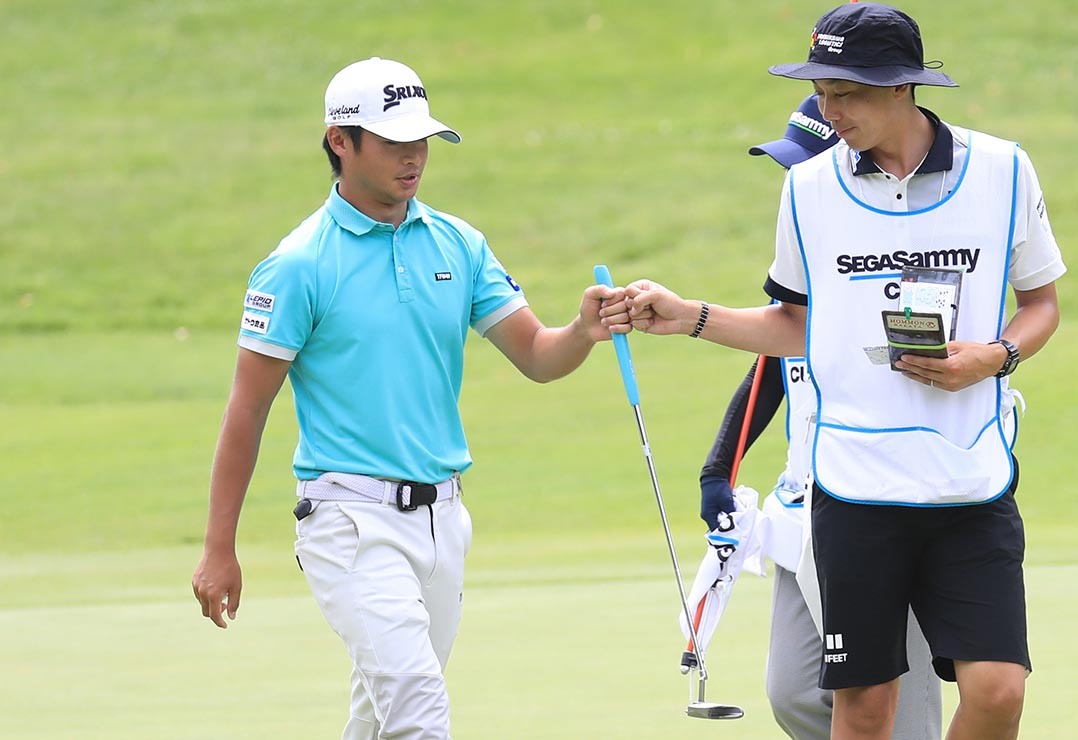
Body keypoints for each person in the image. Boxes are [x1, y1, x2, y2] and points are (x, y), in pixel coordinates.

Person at [624, 4, 1064, 739]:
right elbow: (795, 325)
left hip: (970, 481)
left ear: (902, 87)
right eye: (821, 92)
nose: (830, 111)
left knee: (998, 693)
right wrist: (689, 316)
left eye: (847, 93)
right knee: (864, 708)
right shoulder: (808, 188)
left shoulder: (1003, 170)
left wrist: (997, 356)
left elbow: (1042, 304)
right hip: (854, 487)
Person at [190, 57, 629, 740]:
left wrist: (581, 330)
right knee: (418, 707)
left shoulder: (459, 243)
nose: (414, 156)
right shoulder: (299, 264)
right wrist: (219, 546)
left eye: (421, 139)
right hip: (348, 520)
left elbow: (538, 357)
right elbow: (247, 409)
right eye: (394, 140)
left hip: (444, 521)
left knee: (382, 714)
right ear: (340, 141)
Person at [698, 93, 942, 739]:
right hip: (806, 503)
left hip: (893, 501)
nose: (792, 182)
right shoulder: (806, 262)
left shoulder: (899, 256)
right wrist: (717, 469)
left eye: (802, 166)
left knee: (901, 715)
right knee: (796, 693)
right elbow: (772, 367)